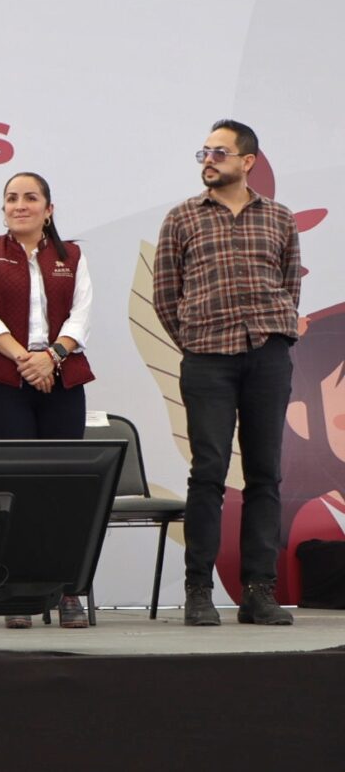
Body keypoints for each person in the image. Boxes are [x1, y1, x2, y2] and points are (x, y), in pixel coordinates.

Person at [153, 118, 300, 627]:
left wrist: (273, 333)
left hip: (267, 355)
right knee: (208, 472)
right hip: (207, 359)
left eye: (219, 152)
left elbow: (288, 288)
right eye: (204, 153)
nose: (209, 160)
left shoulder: (279, 218)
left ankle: (259, 592)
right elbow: (165, 296)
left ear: (248, 161)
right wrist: (197, 342)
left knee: (265, 474)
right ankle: (199, 591)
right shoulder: (182, 218)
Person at [0, 171, 95, 629]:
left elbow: (81, 315)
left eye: (30, 198)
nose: (20, 205)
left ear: (49, 209)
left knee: (63, 488)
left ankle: (66, 589)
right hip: (6, 382)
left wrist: (51, 357)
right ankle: (14, 589)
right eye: (11, 198)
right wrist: (27, 360)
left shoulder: (72, 256)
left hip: (63, 380)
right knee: (11, 488)